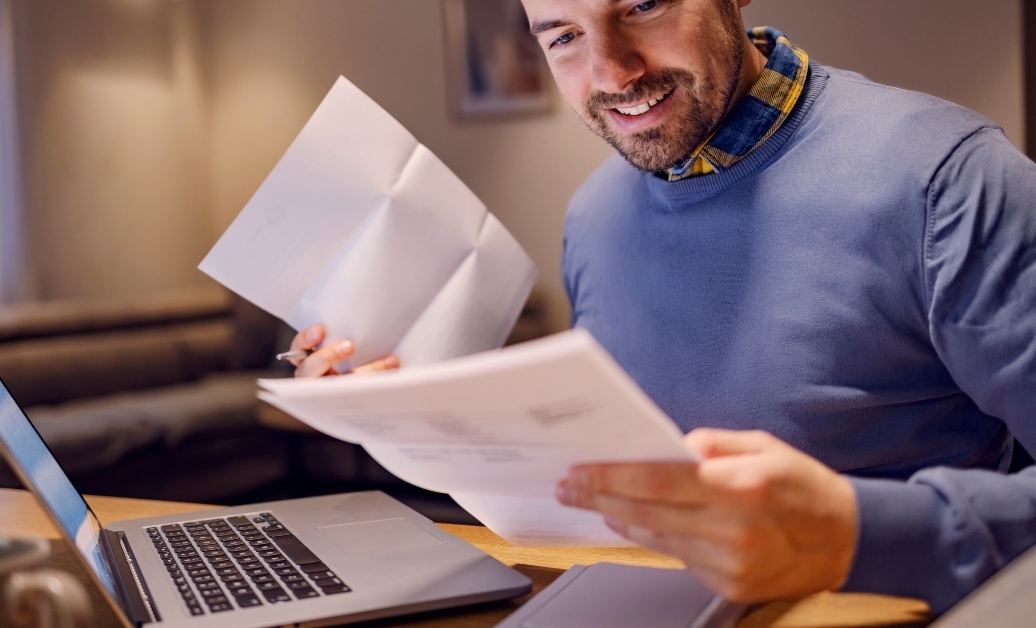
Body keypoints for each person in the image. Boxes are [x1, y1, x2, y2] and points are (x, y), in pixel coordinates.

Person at [286, 0, 1036, 614]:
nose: (612, 71)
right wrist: (398, 413)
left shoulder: (950, 179)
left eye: (642, 6)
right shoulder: (592, 214)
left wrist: (855, 532)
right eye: (566, 36)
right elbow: (598, 481)